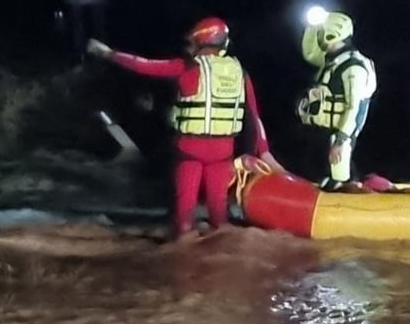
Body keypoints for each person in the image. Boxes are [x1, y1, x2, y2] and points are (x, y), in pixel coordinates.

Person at [86, 16, 281, 240]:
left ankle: (184, 249)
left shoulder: (187, 67)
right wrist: (264, 152)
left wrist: (108, 53)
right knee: (219, 215)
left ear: (199, 42)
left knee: (184, 217)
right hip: (222, 152)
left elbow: (143, 65)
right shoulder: (240, 72)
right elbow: (253, 116)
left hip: (189, 150)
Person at [296, 10, 377, 191]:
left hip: (338, 135)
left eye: (322, 30)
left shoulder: (354, 66)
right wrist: (311, 27)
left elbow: (353, 106)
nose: (319, 34)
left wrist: (340, 141)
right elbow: (309, 53)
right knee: (321, 178)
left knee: (339, 180)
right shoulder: (333, 60)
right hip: (322, 132)